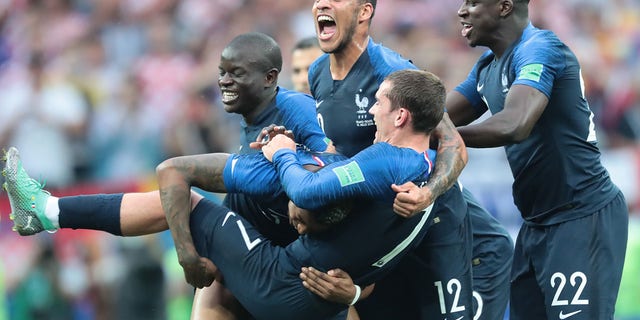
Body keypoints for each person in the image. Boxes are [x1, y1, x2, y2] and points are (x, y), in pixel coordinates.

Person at [4, 70, 467, 320]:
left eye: (381, 103)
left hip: (284, 280)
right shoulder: (422, 179)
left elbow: (307, 188)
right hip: (314, 294)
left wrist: (284, 153)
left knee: (187, 202)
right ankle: (47, 209)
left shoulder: (384, 160)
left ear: (402, 116)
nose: (372, 109)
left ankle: (45, 211)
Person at [394, 0, 629, 319]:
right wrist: (396, 129)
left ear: (504, 7)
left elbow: (515, 124)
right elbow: (437, 119)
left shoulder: (540, 49)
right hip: (537, 224)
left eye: (473, 3)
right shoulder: (487, 65)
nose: (462, 11)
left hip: (581, 216)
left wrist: (442, 137)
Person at [299, 0, 513, 319]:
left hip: (438, 222)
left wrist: (427, 194)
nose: (321, 4)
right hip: (388, 226)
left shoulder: (392, 73)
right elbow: (336, 150)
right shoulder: (318, 73)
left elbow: (453, 144)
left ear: (364, 12)